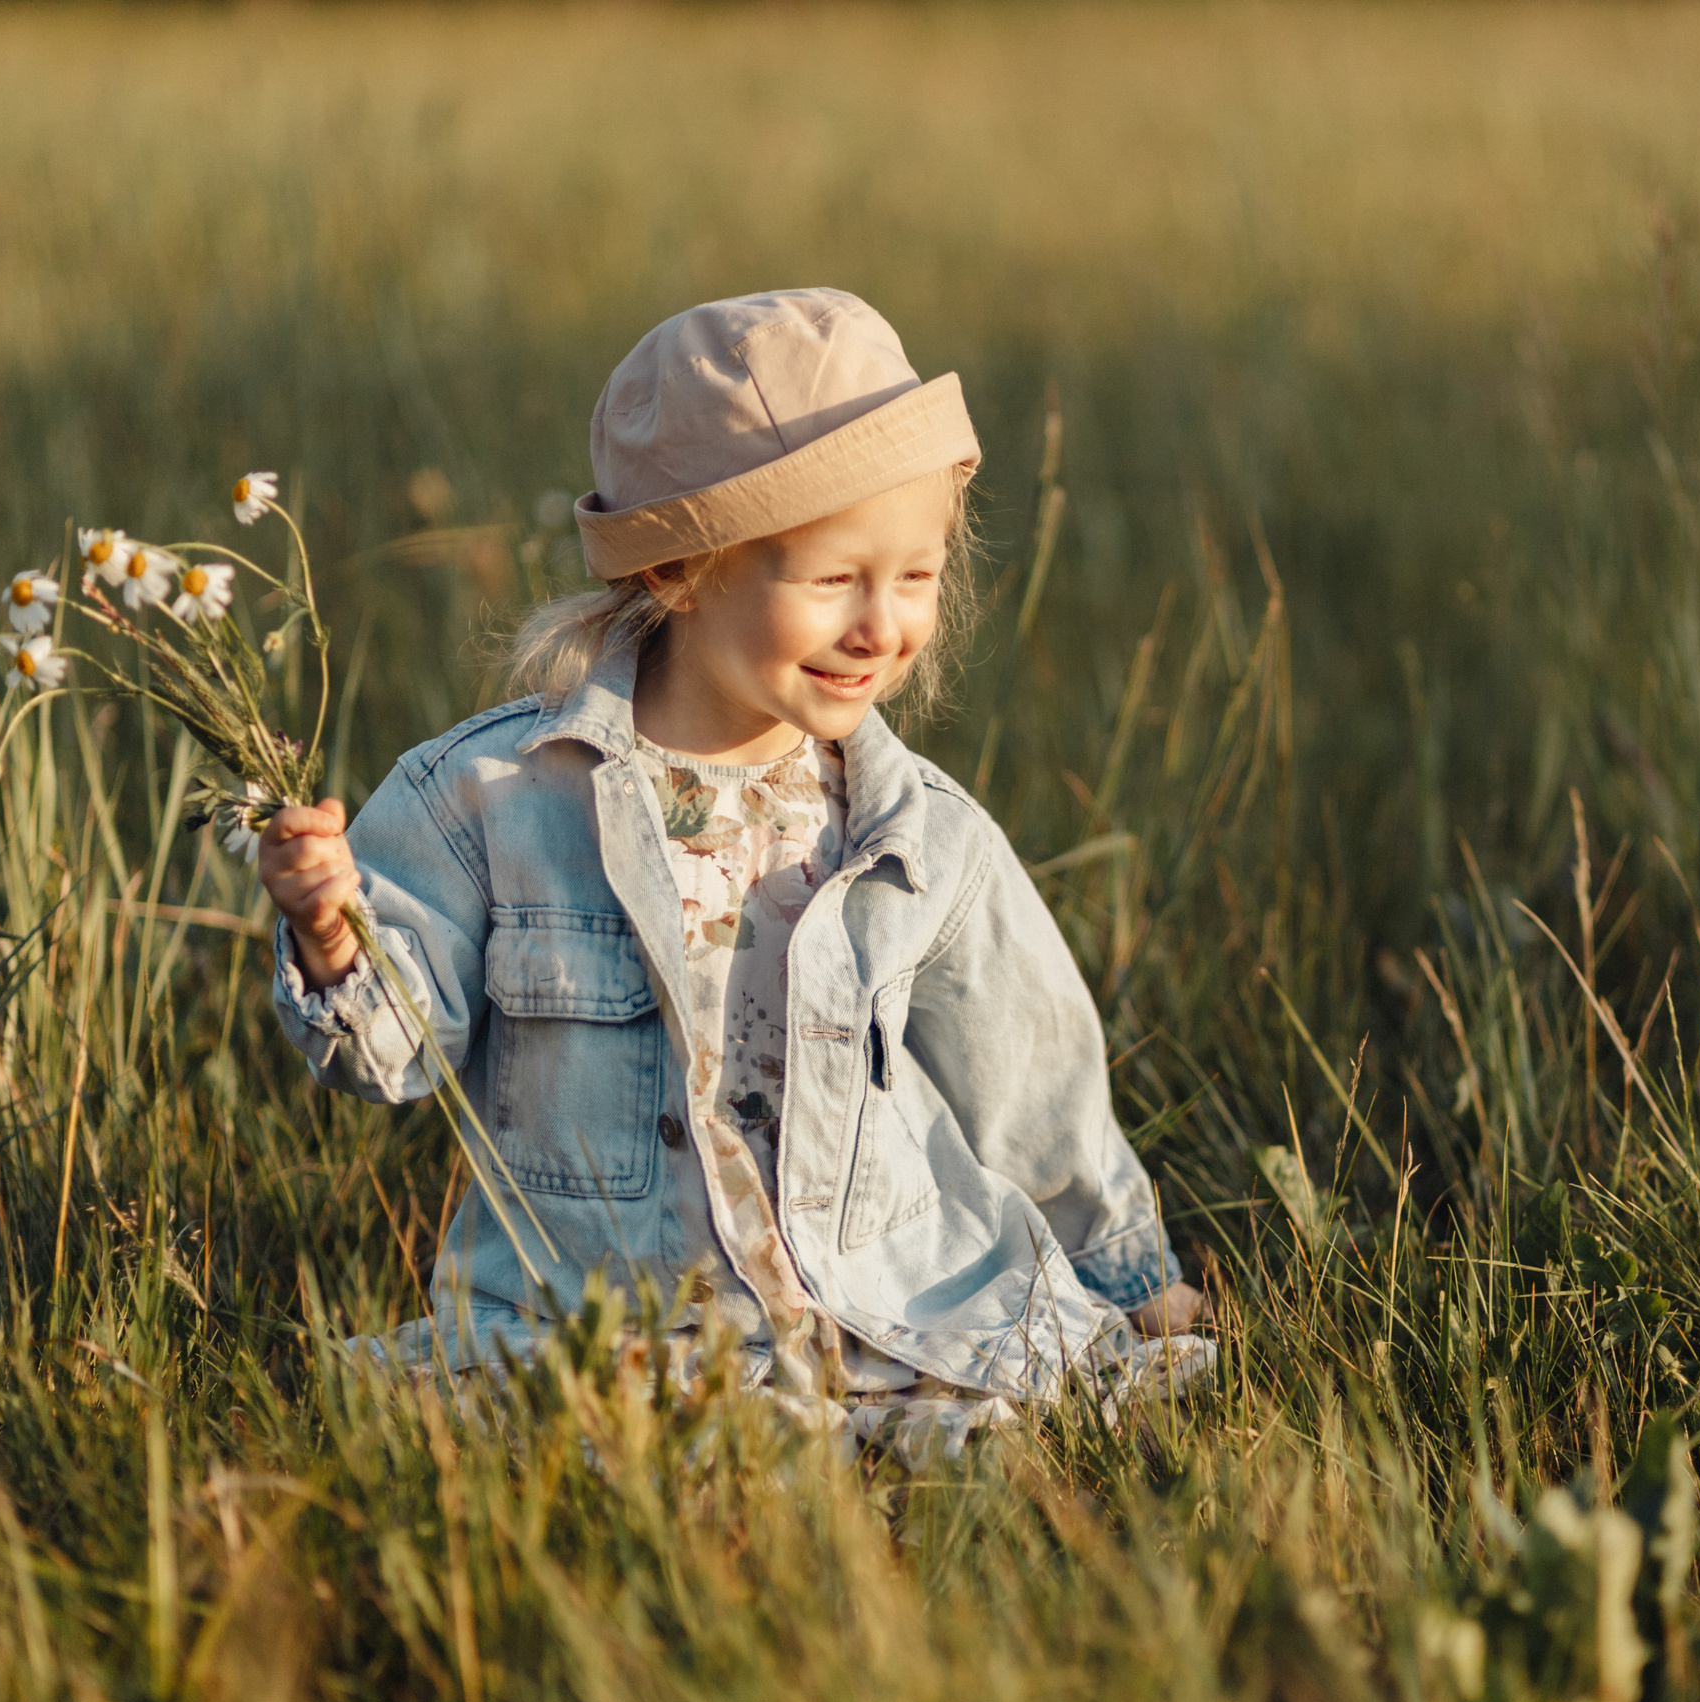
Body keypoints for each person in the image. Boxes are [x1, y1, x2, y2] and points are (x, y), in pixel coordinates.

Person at [257, 288, 1207, 1450]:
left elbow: (1031, 1093)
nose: (883, 627)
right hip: (602, 1323)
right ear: (678, 574)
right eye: (832, 580)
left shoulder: (918, 837)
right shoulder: (489, 801)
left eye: (915, 576)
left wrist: (1125, 1279)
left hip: (880, 1315)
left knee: (986, 1441)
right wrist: (331, 934)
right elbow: (397, 1060)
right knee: (526, 1437)